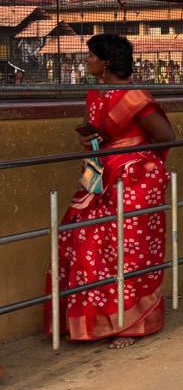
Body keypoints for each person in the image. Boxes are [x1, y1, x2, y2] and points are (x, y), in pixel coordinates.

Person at [45, 34, 175, 348]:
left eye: (90, 56)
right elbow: (99, 132)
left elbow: (165, 136)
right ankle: (93, 323)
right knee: (82, 241)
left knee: (127, 251)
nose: (86, 61)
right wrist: (92, 141)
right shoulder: (95, 93)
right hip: (99, 177)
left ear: (105, 61)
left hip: (133, 181)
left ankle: (130, 325)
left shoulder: (132, 95)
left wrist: (129, 159)